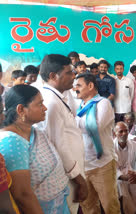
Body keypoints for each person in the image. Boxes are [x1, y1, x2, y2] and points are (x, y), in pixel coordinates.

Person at [0, 85, 74, 213]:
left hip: (59, 205)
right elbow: (23, 195)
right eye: (40, 104)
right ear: (21, 109)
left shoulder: (35, 131)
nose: (45, 108)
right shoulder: (11, 142)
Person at [37, 54, 87, 214]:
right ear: (53, 76)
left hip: (70, 174)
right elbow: (58, 146)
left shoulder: (60, 96)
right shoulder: (51, 103)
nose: (74, 76)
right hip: (66, 178)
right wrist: (79, 180)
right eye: (69, 73)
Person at [74, 73, 120, 214]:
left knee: (110, 206)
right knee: (89, 207)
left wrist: (70, 122)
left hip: (102, 164)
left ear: (91, 86)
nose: (75, 88)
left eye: (79, 85)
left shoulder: (103, 103)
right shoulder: (79, 105)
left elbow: (94, 127)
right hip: (83, 166)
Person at [114, 122, 136, 214]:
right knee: (120, 184)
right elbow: (112, 169)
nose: (124, 133)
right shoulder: (111, 148)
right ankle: (131, 211)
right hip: (118, 177)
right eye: (121, 131)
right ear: (114, 133)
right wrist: (123, 177)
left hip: (133, 174)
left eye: (126, 131)